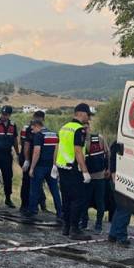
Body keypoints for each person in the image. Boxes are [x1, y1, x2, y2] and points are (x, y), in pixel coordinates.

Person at [52, 103, 92, 240]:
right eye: (88, 115)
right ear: (81, 113)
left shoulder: (64, 128)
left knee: (66, 199)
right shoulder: (79, 129)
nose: (89, 118)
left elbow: (57, 147)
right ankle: (75, 229)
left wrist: (55, 165)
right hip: (74, 169)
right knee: (78, 199)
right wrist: (85, 171)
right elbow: (78, 150)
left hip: (62, 168)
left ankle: (66, 227)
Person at [26, 119, 62, 221]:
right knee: (55, 190)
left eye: (32, 128)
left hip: (40, 166)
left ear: (37, 126)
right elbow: (57, 150)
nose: (32, 131)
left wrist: (32, 167)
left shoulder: (39, 135)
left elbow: (36, 152)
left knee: (34, 189)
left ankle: (32, 211)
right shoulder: (54, 134)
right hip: (52, 167)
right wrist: (55, 165)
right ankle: (60, 212)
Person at [79, 123, 110, 233]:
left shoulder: (98, 139)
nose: (84, 130)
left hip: (97, 176)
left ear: (89, 128)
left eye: (85, 127)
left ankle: (96, 224)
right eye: (83, 128)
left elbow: (107, 154)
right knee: (87, 201)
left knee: (98, 201)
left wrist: (108, 169)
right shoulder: (81, 140)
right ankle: (87, 223)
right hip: (89, 176)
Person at [20, 111, 47, 214]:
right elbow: (25, 145)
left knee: (37, 184)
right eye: (37, 118)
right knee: (26, 182)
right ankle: (24, 205)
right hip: (28, 158)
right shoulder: (28, 129)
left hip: (38, 160)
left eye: (40, 119)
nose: (38, 120)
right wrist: (26, 160)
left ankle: (39, 204)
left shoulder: (43, 130)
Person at [108, 140, 131, 247]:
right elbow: (113, 162)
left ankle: (113, 235)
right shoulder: (119, 144)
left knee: (120, 208)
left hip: (117, 178)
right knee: (125, 209)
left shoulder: (116, 143)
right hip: (119, 179)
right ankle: (121, 238)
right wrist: (114, 177)